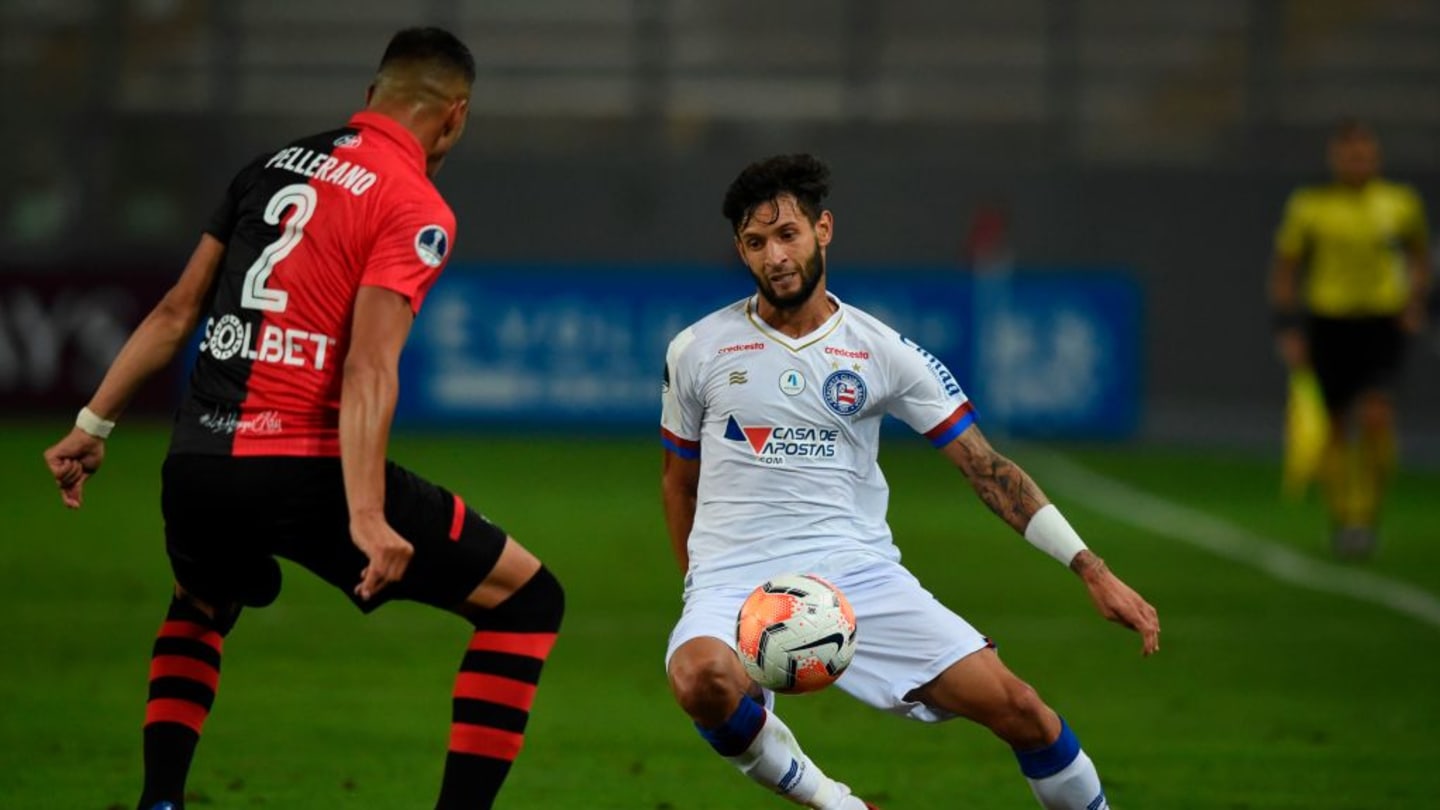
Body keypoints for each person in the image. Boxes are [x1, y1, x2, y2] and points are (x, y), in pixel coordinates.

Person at [41, 28, 564, 810]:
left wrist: (93, 423)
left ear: (368, 95)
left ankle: (160, 802)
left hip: (196, 466)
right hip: (304, 469)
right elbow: (368, 366)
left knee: (199, 605)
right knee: (527, 601)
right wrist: (368, 516)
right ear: (453, 118)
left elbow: (177, 310)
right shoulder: (414, 204)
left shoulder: (269, 166)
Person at [659, 154, 1160, 810]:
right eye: (756, 243)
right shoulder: (697, 349)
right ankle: (837, 803)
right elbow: (679, 483)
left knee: (1021, 711)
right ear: (740, 251)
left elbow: (988, 468)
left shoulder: (881, 350)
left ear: (823, 230)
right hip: (733, 575)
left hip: (856, 573)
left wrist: (1091, 569)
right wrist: (699, 588)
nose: (774, 256)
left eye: (788, 234)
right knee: (701, 679)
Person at [1269, 118, 1431, 557]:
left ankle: (1368, 513)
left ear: (1375, 157)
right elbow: (1286, 268)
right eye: (1349, 154)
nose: (1357, 162)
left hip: (1381, 322)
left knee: (1377, 417)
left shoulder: (1398, 203)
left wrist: (1417, 302)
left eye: (1364, 154)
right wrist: (1287, 325)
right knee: (1337, 426)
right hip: (1330, 323)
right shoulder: (1311, 206)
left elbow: (1419, 255)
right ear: (1335, 158)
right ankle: (1344, 519)